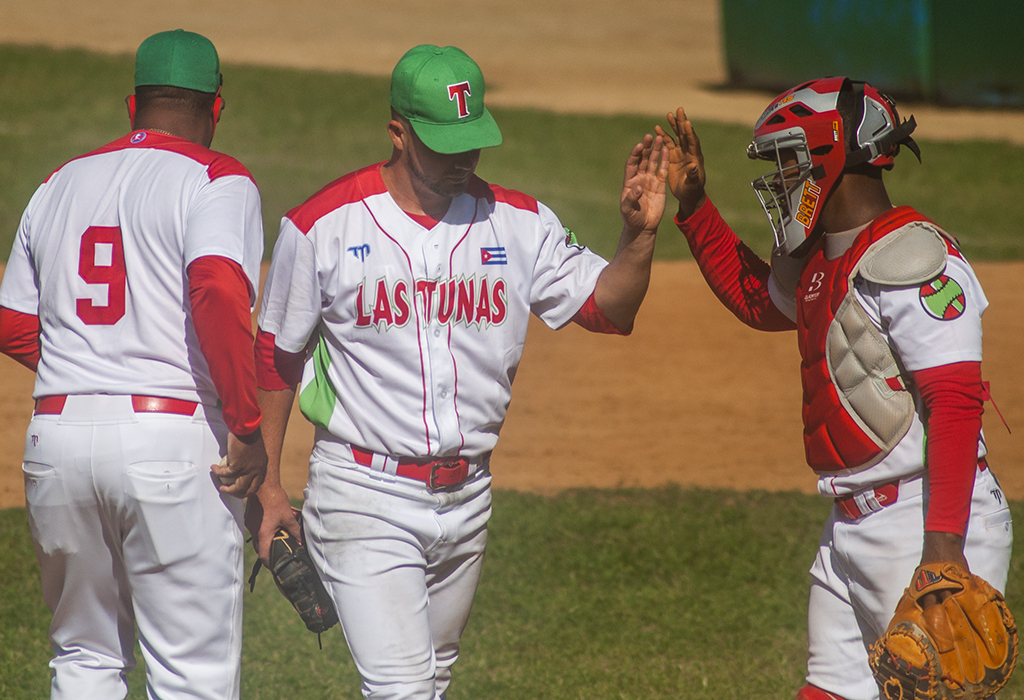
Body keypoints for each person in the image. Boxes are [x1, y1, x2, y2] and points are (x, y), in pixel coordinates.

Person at [246, 44, 667, 700]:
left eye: (472, 141)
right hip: (363, 495)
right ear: (397, 133)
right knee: (404, 690)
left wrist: (638, 239)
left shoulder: (521, 222)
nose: (463, 158)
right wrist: (268, 484)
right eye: (444, 144)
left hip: (468, 498)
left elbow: (607, 308)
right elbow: (276, 353)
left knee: (433, 682)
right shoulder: (322, 226)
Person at [656, 78, 1013, 700]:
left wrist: (942, 554)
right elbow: (756, 301)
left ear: (830, 154)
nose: (781, 179)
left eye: (789, 160)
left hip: (923, 521)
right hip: (850, 525)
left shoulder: (912, 259)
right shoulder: (822, 258)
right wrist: (694, 205)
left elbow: (955, 404)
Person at [0, 29, 267, 699]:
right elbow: (217, 286)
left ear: (132, 105)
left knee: (83, 661)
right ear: (216, 108)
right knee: (192, 675)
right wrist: (245, 420)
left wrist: (90, 370)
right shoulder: (217, 178)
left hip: (55, 442)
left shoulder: (58, 182)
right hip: (169, 447)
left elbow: (11, 320)